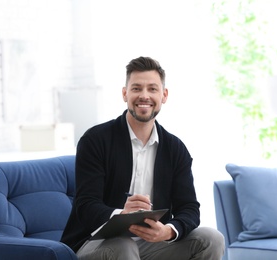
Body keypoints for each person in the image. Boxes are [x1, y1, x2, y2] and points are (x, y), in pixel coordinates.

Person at [61, 56, 225, 260]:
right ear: (125, 94)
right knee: (123, 245)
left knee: (211, 238)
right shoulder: (95, 140)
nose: (144, 96)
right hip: (94, 244)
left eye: (152, 89)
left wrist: (169, 231)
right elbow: (86, 205)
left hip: (151, 245)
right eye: (137, 88)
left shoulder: (175, 149)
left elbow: (189, 208)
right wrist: (121, 214)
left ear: (164, 95)